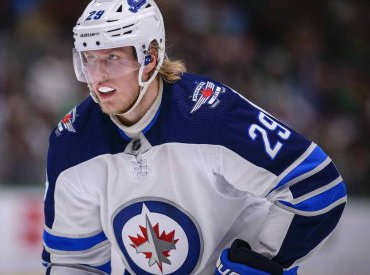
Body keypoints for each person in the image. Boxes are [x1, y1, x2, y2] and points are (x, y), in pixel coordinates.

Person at [42, 0, 347, 274]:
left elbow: (318, 188)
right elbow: (73, 260)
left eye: (112, 57)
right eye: (89, 59)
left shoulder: (212, 116)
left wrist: (261, 264)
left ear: (150, 56)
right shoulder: (72, 142)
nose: (98, 76)